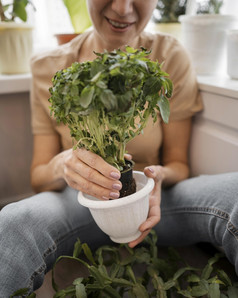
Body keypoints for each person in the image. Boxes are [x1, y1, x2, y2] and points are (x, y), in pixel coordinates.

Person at [0, 0, 238, 296]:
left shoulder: (169, 55)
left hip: (154, 201)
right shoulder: (48, 66)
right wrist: (65, 164)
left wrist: (158, 175)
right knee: (12, 222)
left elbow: (179, 163)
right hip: (81, 205)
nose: (123, 8)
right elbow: (38, 177)